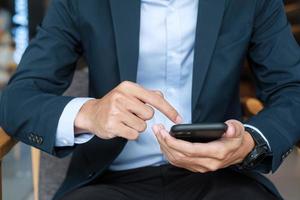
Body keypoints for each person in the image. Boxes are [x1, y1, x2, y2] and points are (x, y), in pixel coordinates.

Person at [1, 0, 300, 199]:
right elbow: (16, 99)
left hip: (220, 176)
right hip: (110, 181)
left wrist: (250, 143)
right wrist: (90, 113)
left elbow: (292, 88)